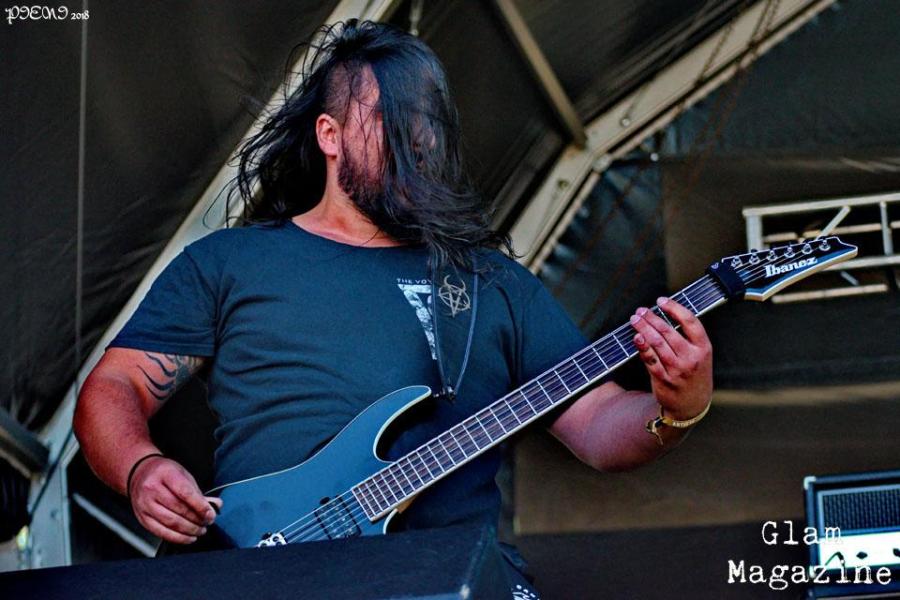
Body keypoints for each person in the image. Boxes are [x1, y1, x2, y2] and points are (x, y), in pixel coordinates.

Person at [73, 19, 713, 596]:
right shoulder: (228, 263)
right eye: (390, 121)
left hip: (448, 577)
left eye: (426, 123)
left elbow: (598, 426)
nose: (417, 141)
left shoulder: (489, 283)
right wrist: (141, 468)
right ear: (329, 135)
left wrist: (677, 409)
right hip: (261, 570)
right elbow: (114, 386)